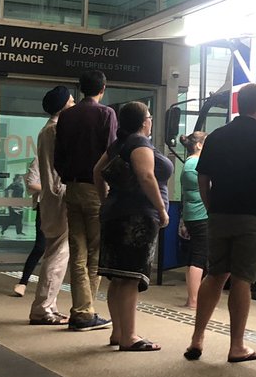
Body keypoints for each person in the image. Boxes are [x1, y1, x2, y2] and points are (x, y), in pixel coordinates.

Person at [186, 82, 256, 363]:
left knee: (216, 274)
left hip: (220, 216)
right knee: (242, 279)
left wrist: (211, 207)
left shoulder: (217, 137)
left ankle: (197, 339)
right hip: (254, 218)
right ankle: (237, 347)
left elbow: (202, 178)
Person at [94, 101, 171, 352]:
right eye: (149, 116)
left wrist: (105, 199)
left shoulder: (118, 144)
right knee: (129, 279)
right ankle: (129, 336)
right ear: (143, 121)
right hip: (137, 216)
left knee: (118, 278)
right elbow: (146, 175)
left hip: (115, 213)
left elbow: (97, 171)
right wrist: (161, 209)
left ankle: (118, 333)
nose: (150, 120)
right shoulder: (139, 143)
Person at [53, 70, 116, 332]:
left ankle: (82, 310)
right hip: (96, 188)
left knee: (77, 252)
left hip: (72, 187)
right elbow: (111, 152)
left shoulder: (66, 116)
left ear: (80, 89)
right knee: (96, 252)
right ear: (102, 88)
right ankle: (84, 312)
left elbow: (58, 156)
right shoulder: (106, 114)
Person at [28, 86, 74, 325]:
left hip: (51, 197)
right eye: (72, 99)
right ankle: (42, 308)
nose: (75, 103)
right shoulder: (56, 130)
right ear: (64, 103)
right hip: (59, 196)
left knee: (55, 253)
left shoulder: (47, 129)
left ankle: (49, 305)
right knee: (57, 255)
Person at [177, 131, 209, 309]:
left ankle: (191, 299)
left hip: (191, 215)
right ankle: (194, 301)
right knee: (199, 257)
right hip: (201, 215)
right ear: (199, 145)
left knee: (192, 257)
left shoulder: (188, 163)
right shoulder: (196, 163)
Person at [12, 156, 46, 297]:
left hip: (64, 205)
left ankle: (48, 285)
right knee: (41, 246)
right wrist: (54, 189)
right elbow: (32, 185)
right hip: (45, 205)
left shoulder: (68, 156)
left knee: (60, 249)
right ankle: (23, 282)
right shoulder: (40, 160)